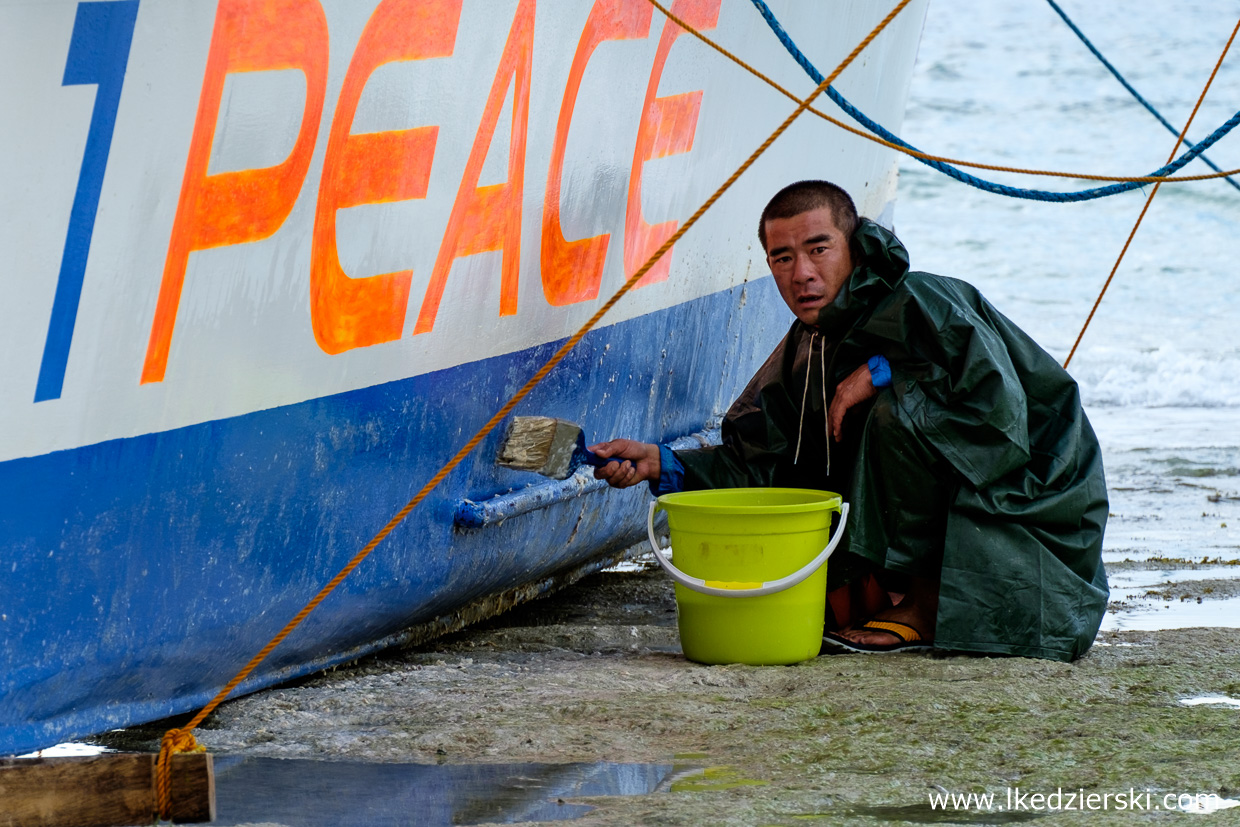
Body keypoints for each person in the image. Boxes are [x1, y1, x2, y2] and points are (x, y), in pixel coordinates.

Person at [591, 180, 1109, 662]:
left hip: (1034, 506)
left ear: (856, 248)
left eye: (819, 248)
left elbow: (998, 425)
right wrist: (664, 465)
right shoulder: (806, 344)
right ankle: (896, 590)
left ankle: (925, 603)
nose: (802, 273)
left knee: (895, 412)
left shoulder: (924, 299)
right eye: (782, 257)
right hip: (970, 502)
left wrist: (885, 373)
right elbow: (764, 464)